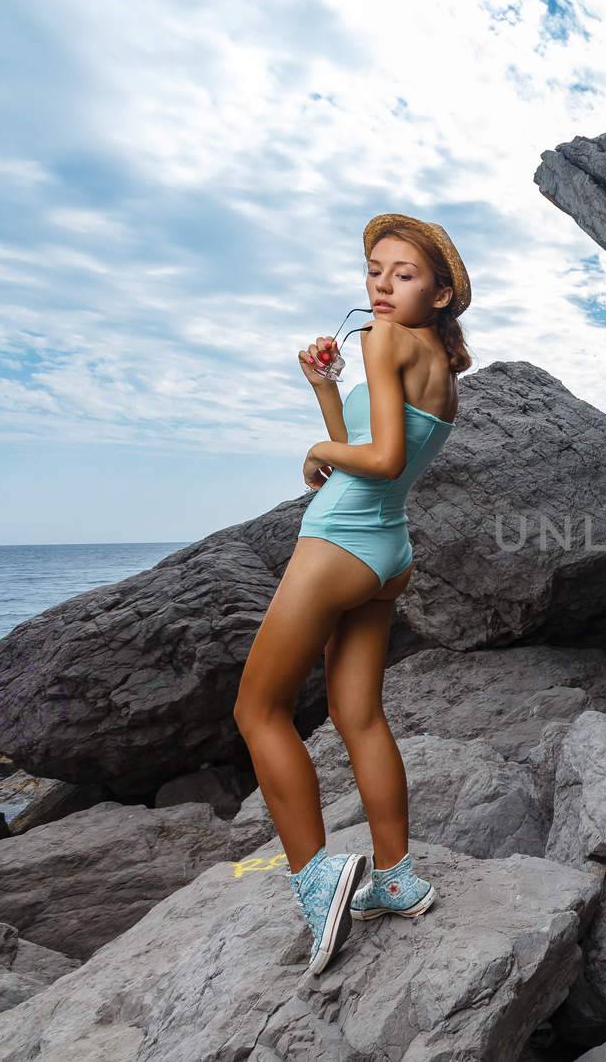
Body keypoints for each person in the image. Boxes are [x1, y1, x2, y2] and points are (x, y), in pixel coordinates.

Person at [232, 213, 471, 976]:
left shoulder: (386, 340)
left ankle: (317, 877)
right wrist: (324, 394)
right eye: (375, 270)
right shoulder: (438, 364)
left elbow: (378, 454)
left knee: (257, 710)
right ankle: (396, 877)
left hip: (338, 541)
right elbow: (375, 453)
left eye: (403, 275)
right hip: (388, 548)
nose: (381, 285)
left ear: (438, 294)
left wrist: (317, 446)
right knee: (357, 712)